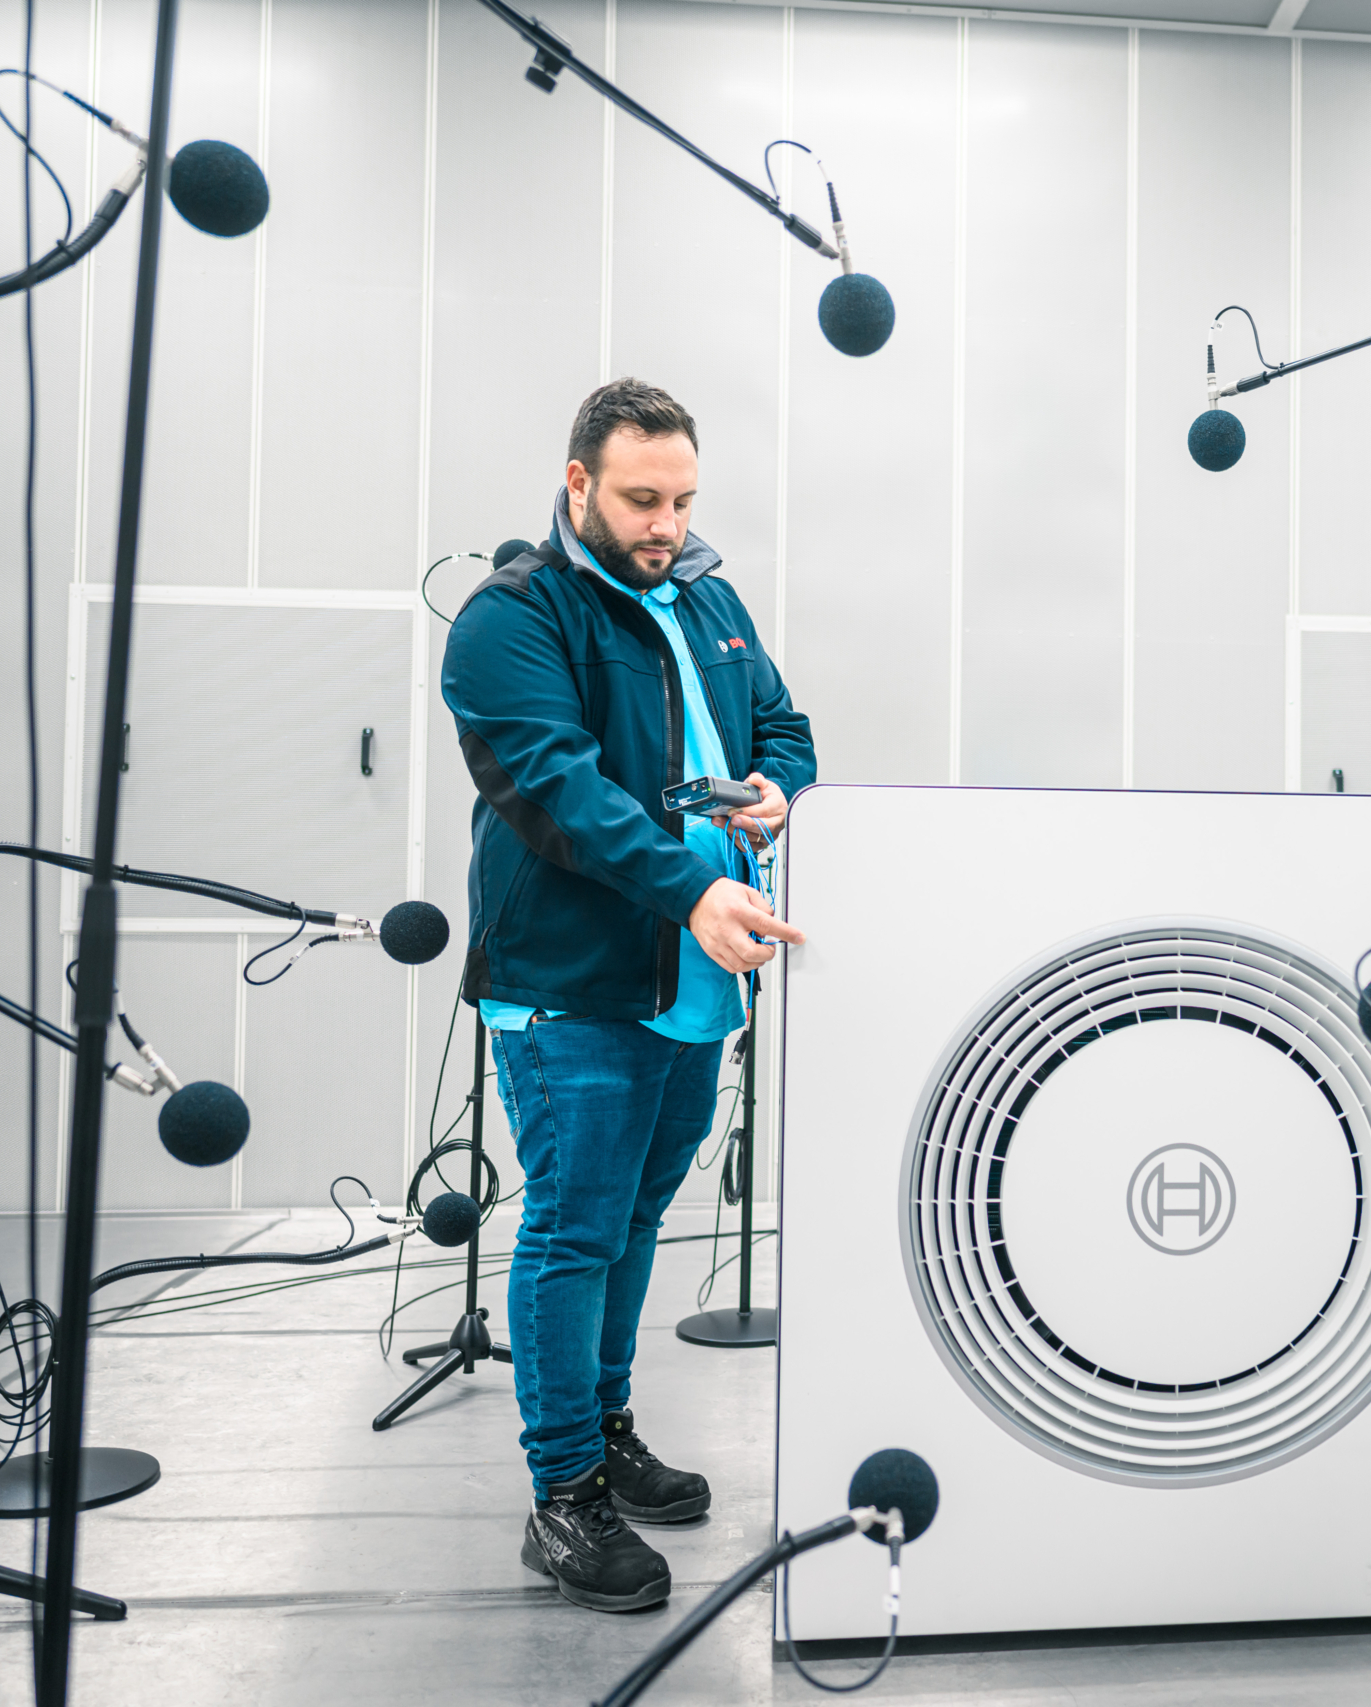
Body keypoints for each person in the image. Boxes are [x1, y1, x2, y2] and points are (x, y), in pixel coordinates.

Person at [441, 378, 813, 1613]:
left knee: (643, 1214)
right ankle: (563, 1497)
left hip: (692, 976)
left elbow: (784, 726)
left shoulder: (707, 597)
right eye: (642, 499)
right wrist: (689, 889)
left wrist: (773, 787)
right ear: (578, 485)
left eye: (683, 499)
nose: (666, 523)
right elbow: (561, 789)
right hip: (575, 985)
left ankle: (605, 1432)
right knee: (576, 1225)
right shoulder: (512, 619)